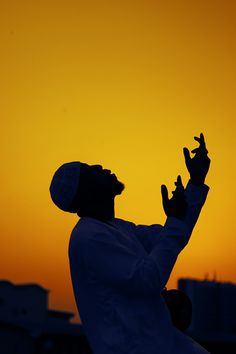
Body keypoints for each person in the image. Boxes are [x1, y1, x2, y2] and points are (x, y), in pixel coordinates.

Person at [50, 133, 211, 354]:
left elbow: (173, 236)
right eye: (90, 171)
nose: (99, 166)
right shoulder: (88, 237)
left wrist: (196, 183)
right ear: (85, 193)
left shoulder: (118, 228)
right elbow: (149, 278)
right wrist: (174, 219)